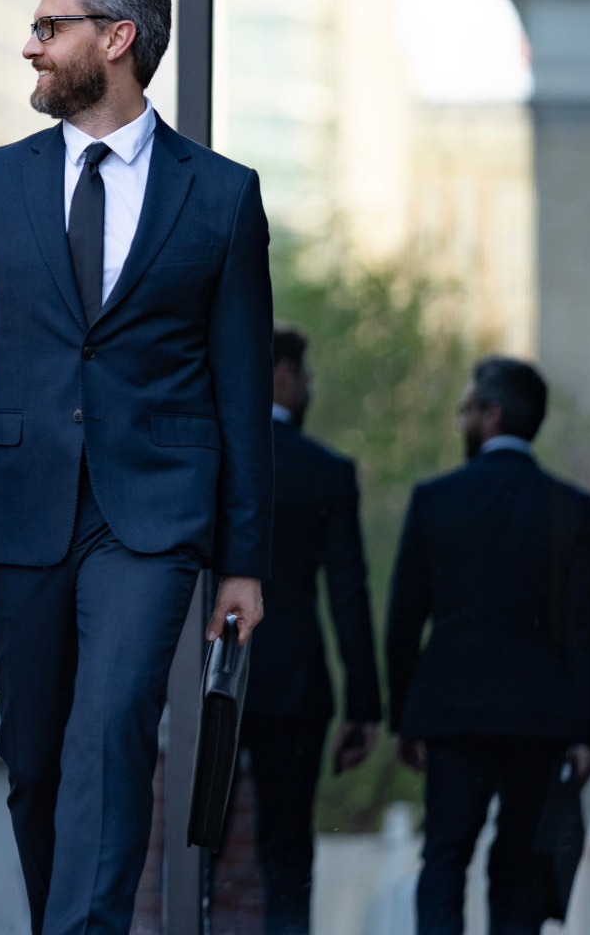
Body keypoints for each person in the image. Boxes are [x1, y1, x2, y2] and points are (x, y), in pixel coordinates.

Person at [0, 0, 273, 933]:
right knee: (35, 759)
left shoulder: (223, 195)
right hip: (21, 507)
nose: (28, 47)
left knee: (111, 733)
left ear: (116, 38)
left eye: (48, 28)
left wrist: (244, 560)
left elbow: (241, 392)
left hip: (154, 515)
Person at [386, 356, 590, 935]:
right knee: (519, 868)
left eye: (467, 409)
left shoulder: (437, 499)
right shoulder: (571, 509)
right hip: (540, 717)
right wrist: (584, 730)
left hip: (452, 713)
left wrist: (403, 715)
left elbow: (405, 618)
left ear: (492, 413)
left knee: (445, 856)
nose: (463, 420)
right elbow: (584, 629)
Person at [237, 326, 382, 934]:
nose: (309, 388)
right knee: (287, 846)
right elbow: (349, 593)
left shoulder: (209, 462)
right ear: (284, 375)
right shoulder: (326, 471)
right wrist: (363, 704)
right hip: (294, 684)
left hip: (204, 672)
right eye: (307, 376)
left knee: (193, 844)